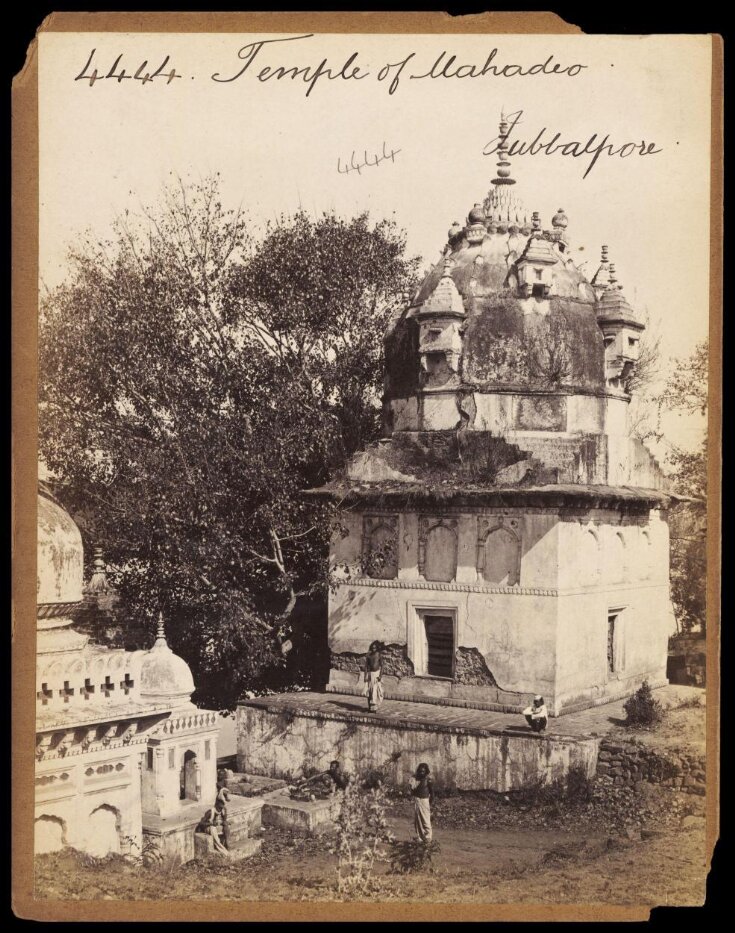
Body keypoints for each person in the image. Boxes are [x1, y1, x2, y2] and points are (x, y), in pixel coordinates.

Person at [411, 762, 434, 844]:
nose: (421, 773)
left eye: (423, 771)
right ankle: (420, 837)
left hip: (425, 801)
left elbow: (432, 793)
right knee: (418, 820)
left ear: (426, 771)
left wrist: (429, 804)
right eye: (420, 771)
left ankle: (428, 838)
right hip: (417, 800)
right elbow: (412, 791)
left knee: (426, 820)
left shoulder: (428, 780)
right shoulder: (416, 780)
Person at [363, 641, 384, 712]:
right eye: (372, 648)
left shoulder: (379, 655)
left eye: (375, 648)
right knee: (370, 691)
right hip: (370, 674)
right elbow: (366, 666)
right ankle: (370, 707)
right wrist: (365, 676)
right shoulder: (368, 655)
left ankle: (375, 707)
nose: (373, 649)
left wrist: (380, 676)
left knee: (377, 691)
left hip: (377, 674)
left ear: (377, 648)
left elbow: (382, 666)